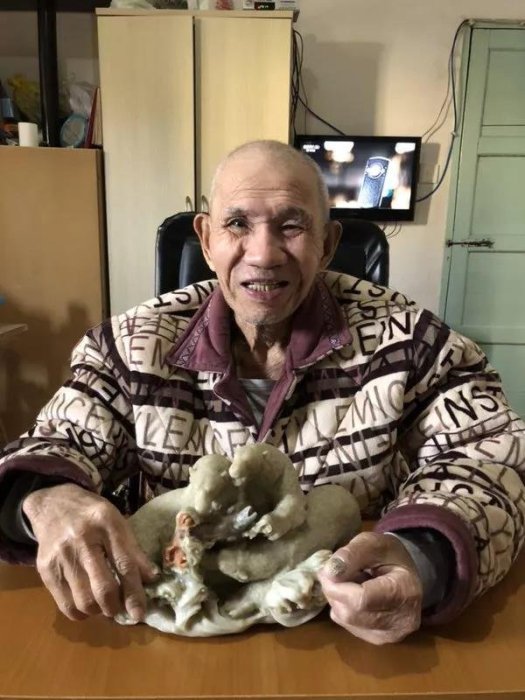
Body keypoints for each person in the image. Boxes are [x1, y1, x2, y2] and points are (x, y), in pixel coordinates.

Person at [0, 140, 524, 645]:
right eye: (237, 224)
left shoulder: (410, 341)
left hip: (345, 631)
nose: (264, 253)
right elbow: (57, 441)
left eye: (291, 225)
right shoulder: (128, 347)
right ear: (207, 240)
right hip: (170, 628)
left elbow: (492, 458)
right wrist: (44, 499)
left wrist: (423, 557)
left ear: (328, 244)